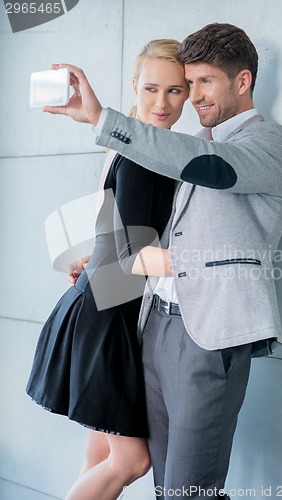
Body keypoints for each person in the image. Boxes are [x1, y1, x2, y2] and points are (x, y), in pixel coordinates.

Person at [42, 23, 282, 500]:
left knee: (187, 489)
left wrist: (106, 120)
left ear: (242, 82)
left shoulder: (266, 144)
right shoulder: (191, 146)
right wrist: (104, 259)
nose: (192, 96)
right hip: (151, 323)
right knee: (158, 479)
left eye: (203, 82)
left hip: (208, 330)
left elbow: (209, 168)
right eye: (189, 82)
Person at [26, 39, 188, 500]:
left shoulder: (134, 146)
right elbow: (135, 254)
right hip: (105, 314)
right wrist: (214, 265)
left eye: (175, 91)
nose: (161, 103)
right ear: (134, 86)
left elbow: (114, 229)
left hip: (103, 304)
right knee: (131, 461)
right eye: (152, 88)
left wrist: (94, 255)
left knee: (98, 459)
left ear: (189, 94)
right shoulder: (143, 154)